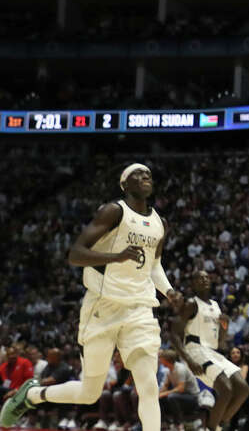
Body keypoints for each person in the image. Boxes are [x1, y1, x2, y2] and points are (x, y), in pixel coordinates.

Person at [1, 163, 183, 431]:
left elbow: (153, 267)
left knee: (148, 385)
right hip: (103, 306)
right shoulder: (113, 212)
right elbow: (75, 254)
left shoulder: (159, 223)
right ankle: (32, 395)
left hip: (140, 308)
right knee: (90, 392)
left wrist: (169, 292)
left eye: (148, 175)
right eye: (137, 175)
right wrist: (117, 257)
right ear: (125, 185)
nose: (145, 177)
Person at [171, 271, 249, 431]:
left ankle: (219, 424)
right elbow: (173, 334)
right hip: (195, 351)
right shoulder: (191, 304)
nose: (204, 279)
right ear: (193, 284)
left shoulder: (215, 306)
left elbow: (220, 342)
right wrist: (188, 359)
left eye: (207, 277)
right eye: (199, 278)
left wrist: (225, 328)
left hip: (212, 352)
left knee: (243, 389)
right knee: (226, 389)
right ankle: (212, 428)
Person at [157, 350, 201, 428]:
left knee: (171, 397)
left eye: (161, 359)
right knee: (159, 398)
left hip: (193, 398)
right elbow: (165, 386)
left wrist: (165, 393)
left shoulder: (180, 369)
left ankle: (178, 424)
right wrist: (158, 394)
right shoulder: (168, 370)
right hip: (181, 395)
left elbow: (181, 389)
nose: (160, 360)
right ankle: (164, 423)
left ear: (167, 360)